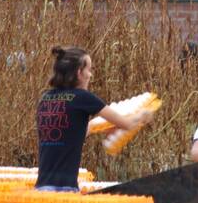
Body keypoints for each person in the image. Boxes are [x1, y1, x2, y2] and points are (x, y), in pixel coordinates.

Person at [35, 46, 151, 191]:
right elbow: (127, 124)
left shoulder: (45, 99)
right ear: (79, 73)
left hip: (41, 187)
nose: (91, 75)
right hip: (64, 190)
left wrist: (97, 127)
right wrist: (143, 114)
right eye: (89, 69)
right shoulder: (83, 97)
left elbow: (67, 133)